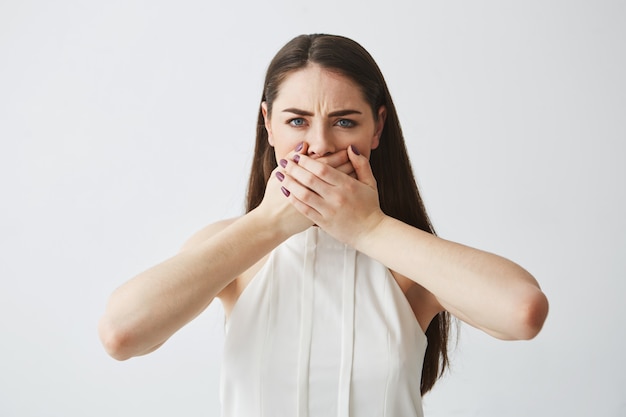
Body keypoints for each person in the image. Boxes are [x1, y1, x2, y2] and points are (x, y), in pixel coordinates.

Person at [98, 34, 549, 416]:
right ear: (268, 126)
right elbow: (121, 334)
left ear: (377, 129)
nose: (318, 145)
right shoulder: (230, 247)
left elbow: (523, 311)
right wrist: (268, 225)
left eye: (345, 122)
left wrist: (369, 228)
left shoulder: (411, 261)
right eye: (297, 121)